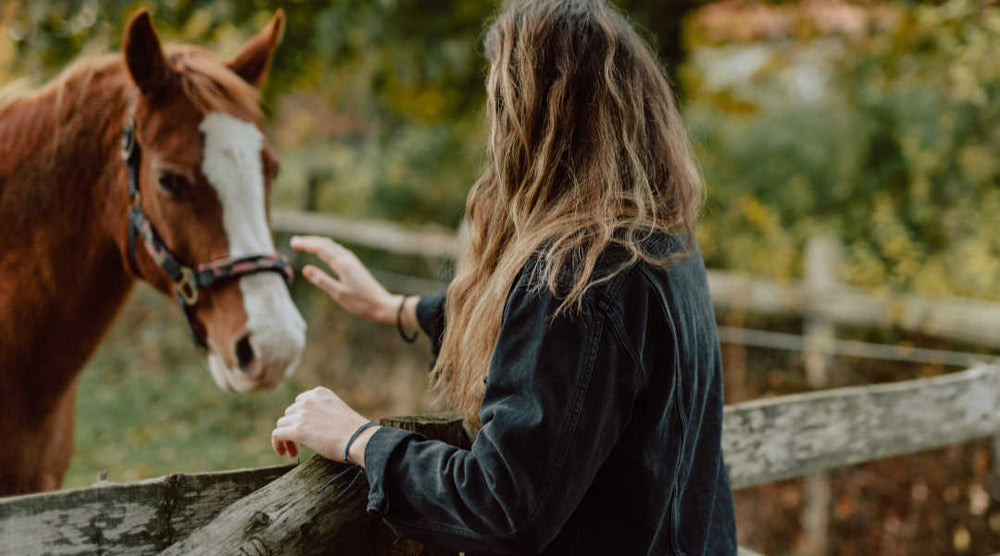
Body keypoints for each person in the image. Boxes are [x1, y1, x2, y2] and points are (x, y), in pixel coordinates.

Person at [271, 0, 738, 553]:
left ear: (537, 115)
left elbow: (499, 506)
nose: (494, 129)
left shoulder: (575, 277)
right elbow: (569, 367)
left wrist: (357, 438)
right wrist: (394, 307)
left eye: (500, 99)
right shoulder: (663, 245)